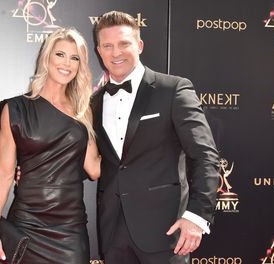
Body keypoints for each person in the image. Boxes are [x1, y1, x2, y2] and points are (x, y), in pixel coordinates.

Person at [91, 11, 220, 264]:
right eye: (108, 46)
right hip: (113, 234)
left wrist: (196, 216)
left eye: (124, 44)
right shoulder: (94, 102)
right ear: (99, 51)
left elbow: (205, 155)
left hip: (166, 231)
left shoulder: (173, 89)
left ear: (139, 45)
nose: (116, 53)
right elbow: (90, 159)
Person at [0, 27, 101, 264]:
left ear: (80, 65)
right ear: (46, 57)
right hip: (27, 224)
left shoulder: (83, 111)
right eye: (60, 54)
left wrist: (140, 146)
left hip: (70, 229)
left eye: (74, 58)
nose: (66, 63)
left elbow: (94, 168)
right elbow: (5, 173)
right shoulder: (16, 109)